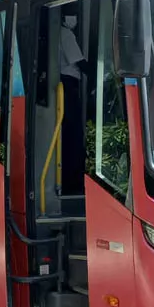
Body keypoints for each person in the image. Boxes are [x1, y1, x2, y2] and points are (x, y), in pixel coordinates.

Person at [58, 10, 86, 195]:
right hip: (68, 86)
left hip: (66, 85)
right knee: (73, 135)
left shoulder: (61, 32)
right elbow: (80, 62)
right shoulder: (65, 33)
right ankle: (72, 180)